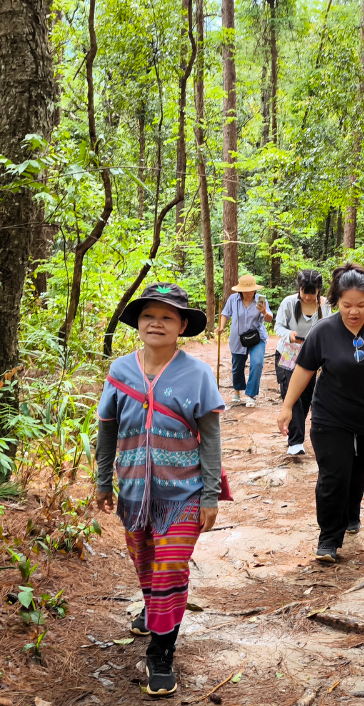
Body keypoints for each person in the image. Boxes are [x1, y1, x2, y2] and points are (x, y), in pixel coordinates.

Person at [94, 282, 226, 698]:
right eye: (150, 315)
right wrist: (102, 480)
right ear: (138, 323)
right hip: (133, 494)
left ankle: (161, 651)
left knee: (169, 569)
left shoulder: (198, 374)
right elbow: (106, 429)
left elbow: (211, 439)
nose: (157, 322)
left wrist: (208, 495)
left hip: (182, 495)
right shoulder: (120, 371)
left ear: (182, 325)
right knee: (145, 564)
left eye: (168, 316)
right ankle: (155, 611)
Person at [275, 263, 364, 562]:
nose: (354, 311)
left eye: (361, 305)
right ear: (335, 302)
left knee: (361, 472)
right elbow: (304, 369)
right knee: (334, 476)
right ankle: (329, 537)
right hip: (330, 416)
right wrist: (288, 406)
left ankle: (352, 511)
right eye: (347, 305)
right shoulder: (323, 331)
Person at [272, 269, 332, 456]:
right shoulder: (288, 303)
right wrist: (288, 334)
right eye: (304, 291)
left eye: (312, 292)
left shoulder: (325, 306)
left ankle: (297, 433)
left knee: (306, 397)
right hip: (288, 354)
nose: (307, 296)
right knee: (292, 396)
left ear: (318, 291)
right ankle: (295, 442)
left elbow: (328, 327)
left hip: (310, 357)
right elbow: (278, 326)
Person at [217, 274, 273, 407]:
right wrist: (221, 326)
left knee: (257, 363)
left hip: (256, 338)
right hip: (238, 338)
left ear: (255, 289)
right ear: (240, 290)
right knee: (237, 366)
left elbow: (269, 318)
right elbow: (225, 313)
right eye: (245, 291)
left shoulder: (260, 300)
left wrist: (264, 312)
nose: (248, 293)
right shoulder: (233, 299)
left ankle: (251, 395)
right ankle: (237, 390)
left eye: (251, 290)